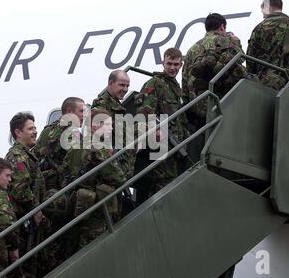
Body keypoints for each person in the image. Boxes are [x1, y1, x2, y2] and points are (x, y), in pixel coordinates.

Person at [62, 109, 126, 250]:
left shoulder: (76, 145)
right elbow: (118, 177)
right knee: (96, 245)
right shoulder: (99, 146)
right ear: (95, 126)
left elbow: (65, 170)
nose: (111, 128)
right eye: (108, 125)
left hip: (79, 203)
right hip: (96, 207)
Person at [33, 97, 86, 261]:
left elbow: (36, 156)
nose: (84, 115)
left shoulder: (47, 130)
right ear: (69, 112)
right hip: (62, 190)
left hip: (46, 191)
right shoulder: (73, 132)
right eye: (81, 111)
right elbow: (77, 163)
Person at [134, 48, 189, 205]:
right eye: (169, 64)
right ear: (162, 63)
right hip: (160, 144)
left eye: (176, 64)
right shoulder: (155, 83)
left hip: (174, 146)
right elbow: (144, 111)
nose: (173, 68)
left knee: (171, 183)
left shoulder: (175, 87)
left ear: (181, 65)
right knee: (160, 184)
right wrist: (155, 131)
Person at [182, 13, 247, 132]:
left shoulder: (192, 49)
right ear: (222, 27)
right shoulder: (226, 41)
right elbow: (240, 58)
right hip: (221, 105)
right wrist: (236, 42)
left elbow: (185, 80)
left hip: (197, 107)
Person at [5, 112, 49, 278]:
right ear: (18, 133)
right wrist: (35, 210)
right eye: (30, 129)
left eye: (35, 128)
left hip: (29, 219)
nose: (35, 132)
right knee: (24, 271)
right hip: (24, 221)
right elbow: (20, 189)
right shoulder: (17, 156)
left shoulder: (27, 155)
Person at [92, 70, 135, 217]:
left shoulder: (116, 105)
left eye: (127, 86)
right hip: (110, 170)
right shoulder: (102, 106)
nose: (125, 89)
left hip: (120, 168)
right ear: (111, 84)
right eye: (121, 85)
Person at [247, 0, 289, 90]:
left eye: (263, 10)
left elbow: (250, 59)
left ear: (268, 7)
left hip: (265, 82)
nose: (262, 14)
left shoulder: (259, 28)